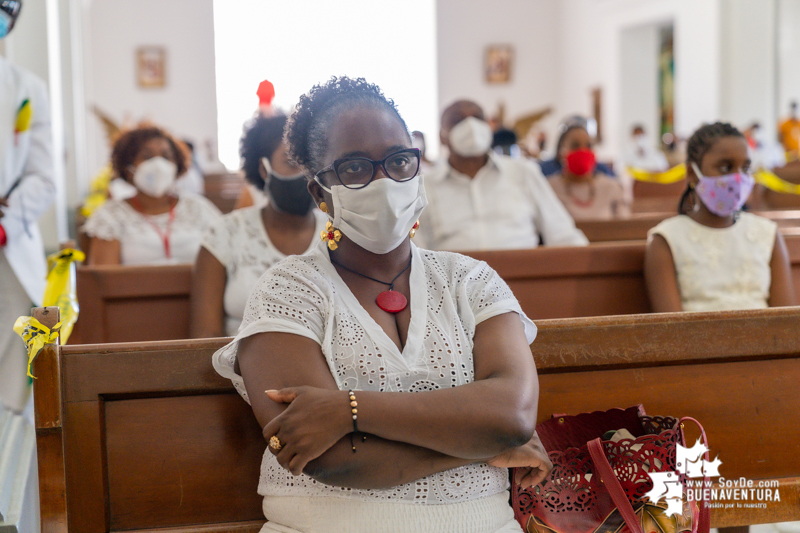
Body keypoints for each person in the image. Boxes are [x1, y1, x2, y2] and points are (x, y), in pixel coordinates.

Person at [212, 77, 551, 533]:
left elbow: (511, 414)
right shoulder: (287, 290)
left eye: (398, 161)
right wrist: (480, 442)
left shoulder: (469, 279)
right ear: (320, 194)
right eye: (354, 168)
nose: (383, 181)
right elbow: (327, 458)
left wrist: (348, 411)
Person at [191, 114, 327, 338]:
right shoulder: (226, 233)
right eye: (291, 163)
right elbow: (205, 337)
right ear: (264, 169)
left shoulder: (338, 233)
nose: (304, 175)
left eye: (311, 164)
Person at [644, 122, 796, 313]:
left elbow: (785, 322)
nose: (738, 178)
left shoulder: (767, 235)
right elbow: (671, 329)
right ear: (692, 174)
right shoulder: (666, 240)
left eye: (746, 168)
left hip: (765, 342)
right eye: (725, 167)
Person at [417, 100, 588, 251]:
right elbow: (416, 253)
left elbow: (563, 235)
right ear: (442, 136)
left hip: (523, 281)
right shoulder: (425, 187)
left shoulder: (524, 172)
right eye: (458, 120)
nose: (470, 126)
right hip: (450, 285)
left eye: (478, 118)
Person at [0, 0, 56, 413]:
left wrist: (5, 223)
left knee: (12, 383)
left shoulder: (25, 88)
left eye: (9, 10)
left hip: (9, 246)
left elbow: (44, 176)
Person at [83, 124, 221, 265]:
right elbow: (104, 280)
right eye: (147, 157)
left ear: (176, 165)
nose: (158, 164)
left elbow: (223, 261)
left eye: (167, 157)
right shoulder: (110, 216)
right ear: (128, 167)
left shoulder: (198, 208)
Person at [549, 123, 629, 220]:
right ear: (561, 152)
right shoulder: (549, 188)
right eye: (575, 145)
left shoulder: (611, 187)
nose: (583, 150)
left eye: (588, 146)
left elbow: (625, 228)